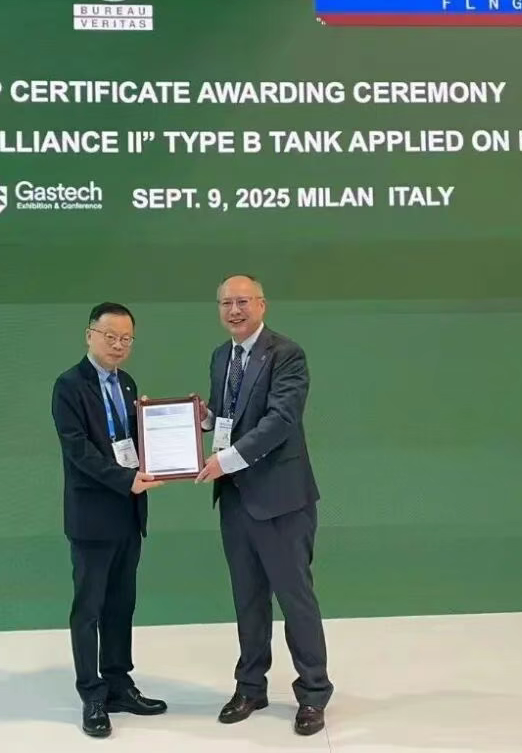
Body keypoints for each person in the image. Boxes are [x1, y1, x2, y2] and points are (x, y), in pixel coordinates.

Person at [195, 275, 333, 736]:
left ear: (262, 305)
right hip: (235, 499)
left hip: (282, 500)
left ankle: (313, 693)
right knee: (248, 599)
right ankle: (250, 687)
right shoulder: (222, 356)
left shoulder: (287, 354)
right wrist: (202, 418)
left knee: (295, 599)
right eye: (226, 303)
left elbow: (280, 420)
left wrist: (226, 460)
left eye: (242, 301)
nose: (234, 310)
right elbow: (229, 416)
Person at [50, 302, 167, 738]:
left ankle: (119, 684)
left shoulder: (128, 383)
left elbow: (136, 439)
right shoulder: (68, 385)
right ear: (89, 335)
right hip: (92, 516)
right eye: (110, 336)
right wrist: (125, 479)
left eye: (126, 339)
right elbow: (77, 450)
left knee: (121, 604)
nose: (118, 345)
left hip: (128, 511)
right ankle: (92, 695)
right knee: (89, 609)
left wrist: (170, 433)